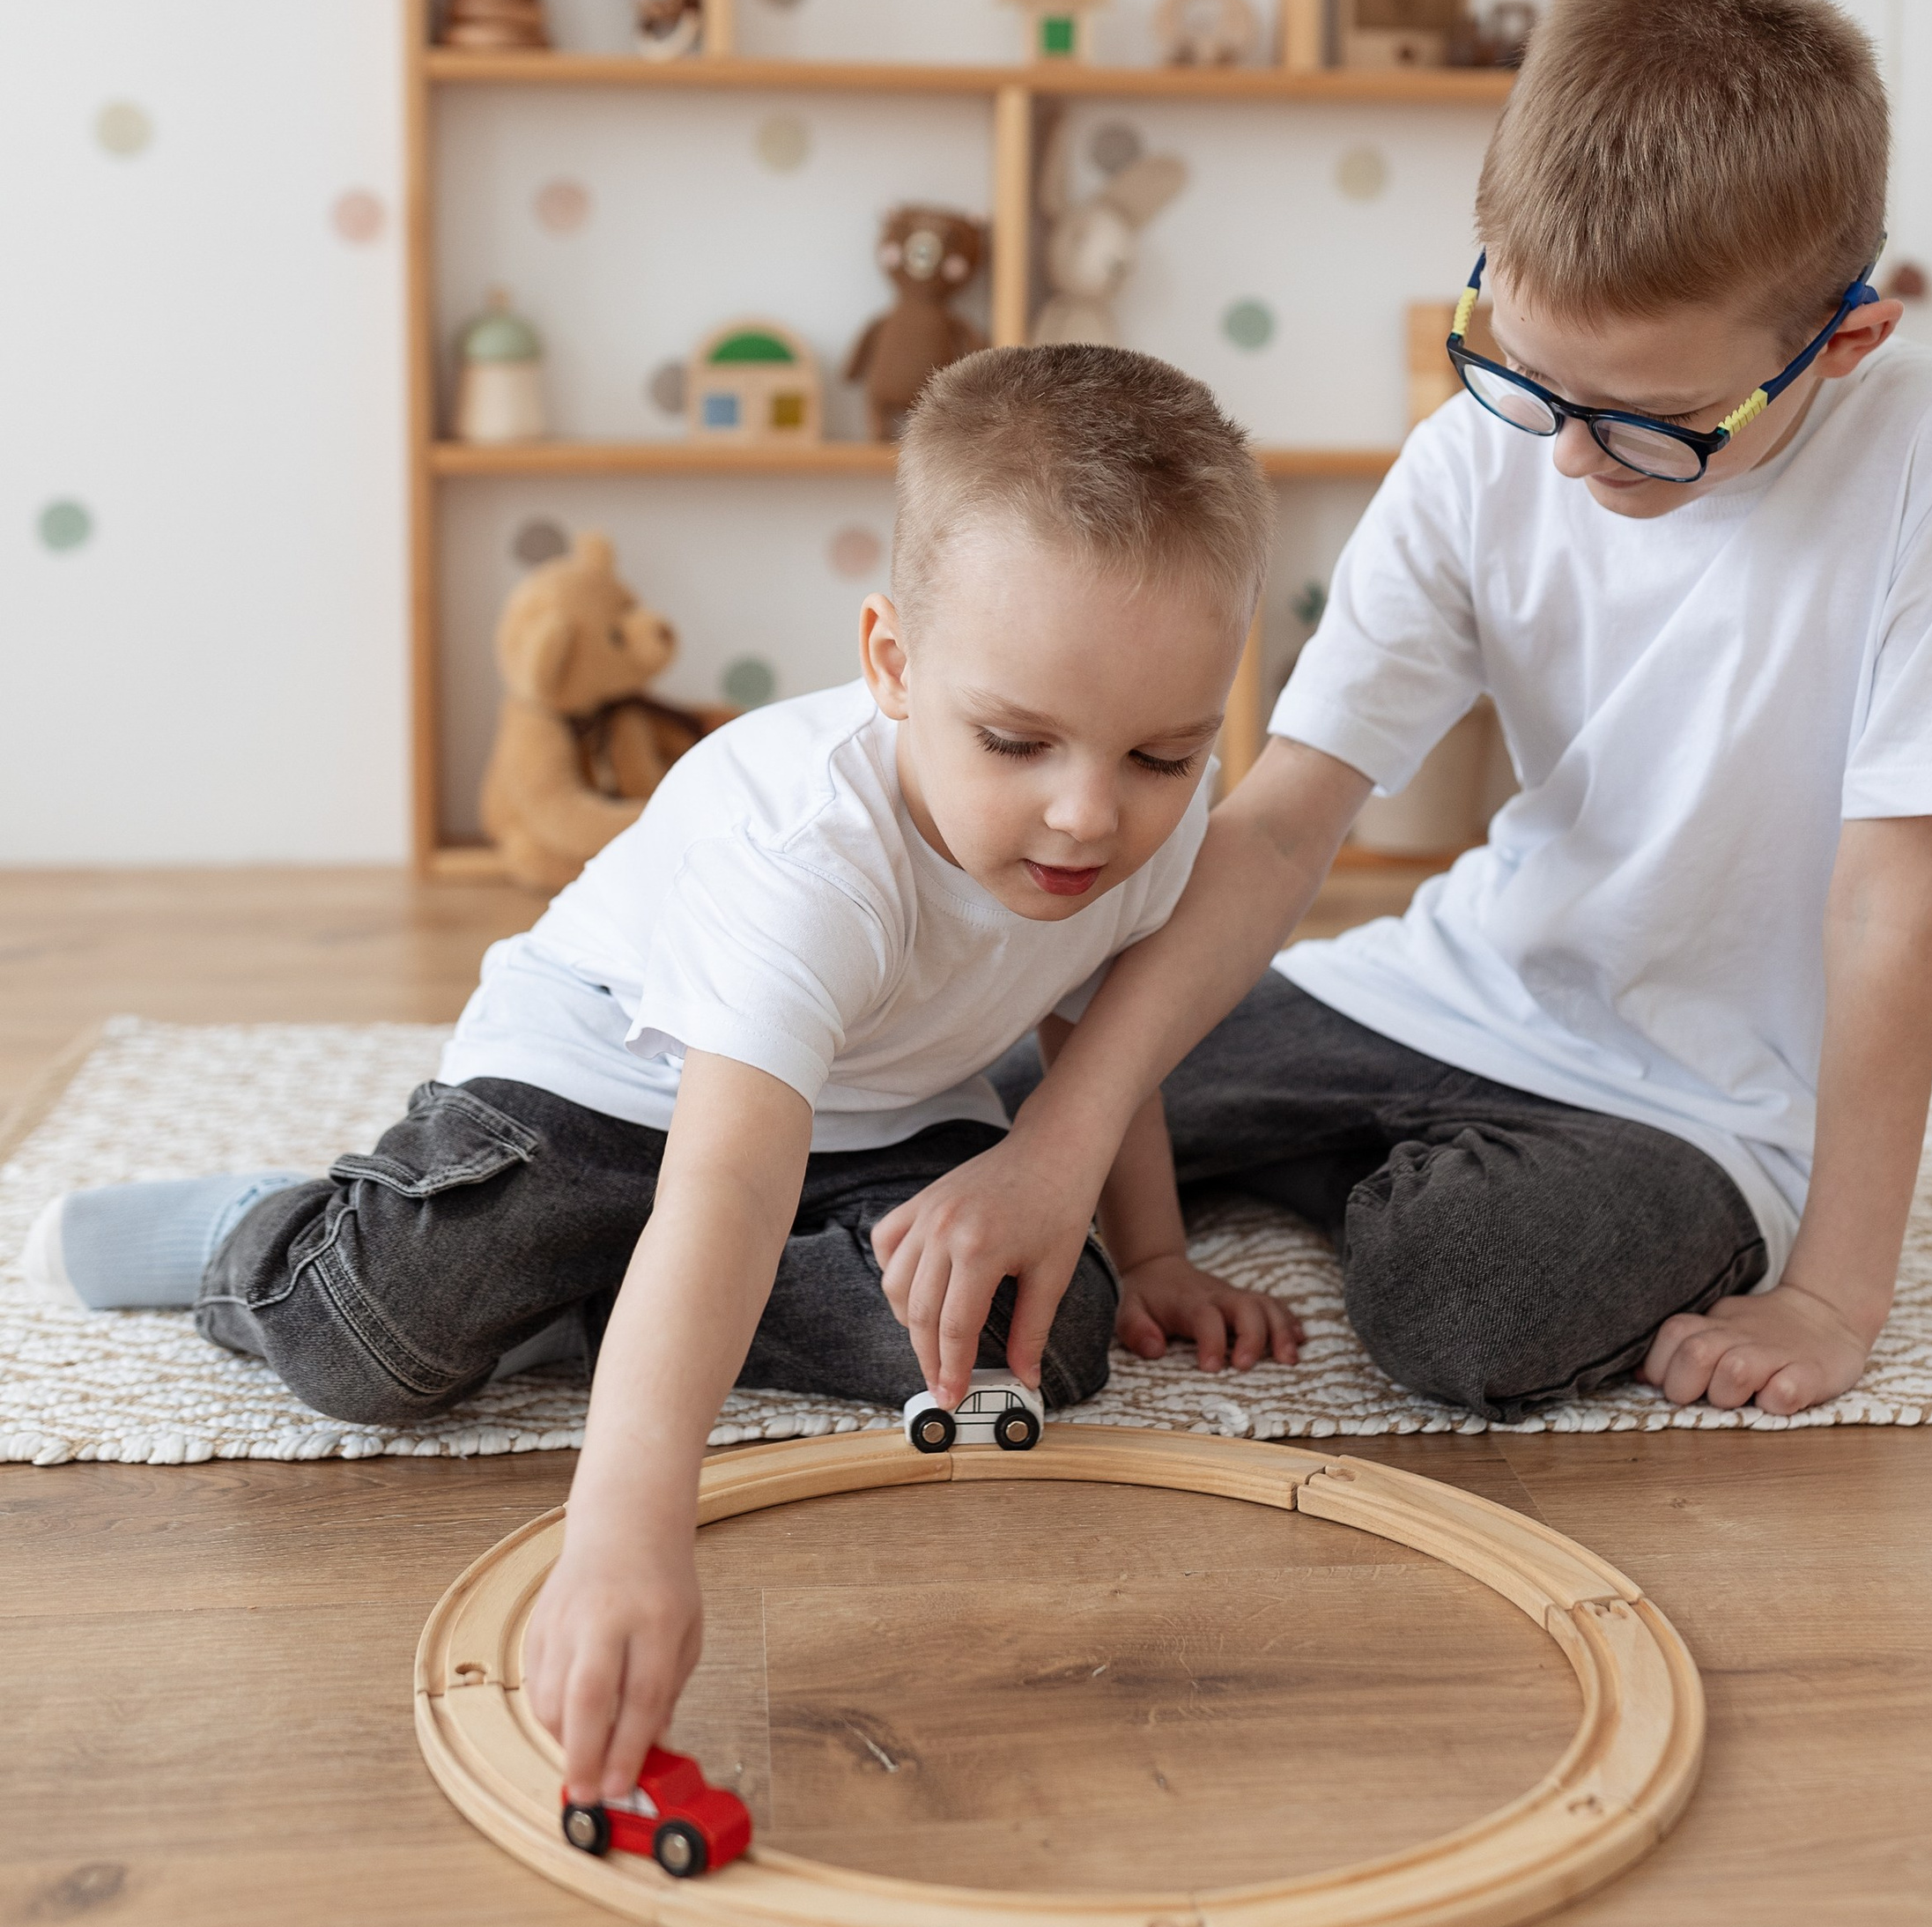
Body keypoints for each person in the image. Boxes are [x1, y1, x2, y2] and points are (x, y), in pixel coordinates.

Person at [25, 345, 1299, 1797]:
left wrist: (1147, 1251)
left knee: (1037, 1335)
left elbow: (1096, 1040)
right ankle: (268, 1227)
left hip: (872, 1119)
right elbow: (724, 1180)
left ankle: (602, 1309)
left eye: (1163, 754)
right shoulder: (803, 856)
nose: (1087, 814)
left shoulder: (1157, 824)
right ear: (891, 662)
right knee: (372, 1344)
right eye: (1015, 742)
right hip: (603, 1092)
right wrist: (625, 1534)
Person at [880, 0, 1932, 1426]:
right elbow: (1288, 815)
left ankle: (1375, 1183)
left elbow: (1892, 908)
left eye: (1652, 424)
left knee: (1469, 1303)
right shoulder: (1479, 451)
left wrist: (1833, 1296)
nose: (1567, 455)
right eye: (1530, 374)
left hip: (1692, 1100)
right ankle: (1361, 1163)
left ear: (1848, 339)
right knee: (987, 1082)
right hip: (1445, 991)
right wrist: (1068, 1138)